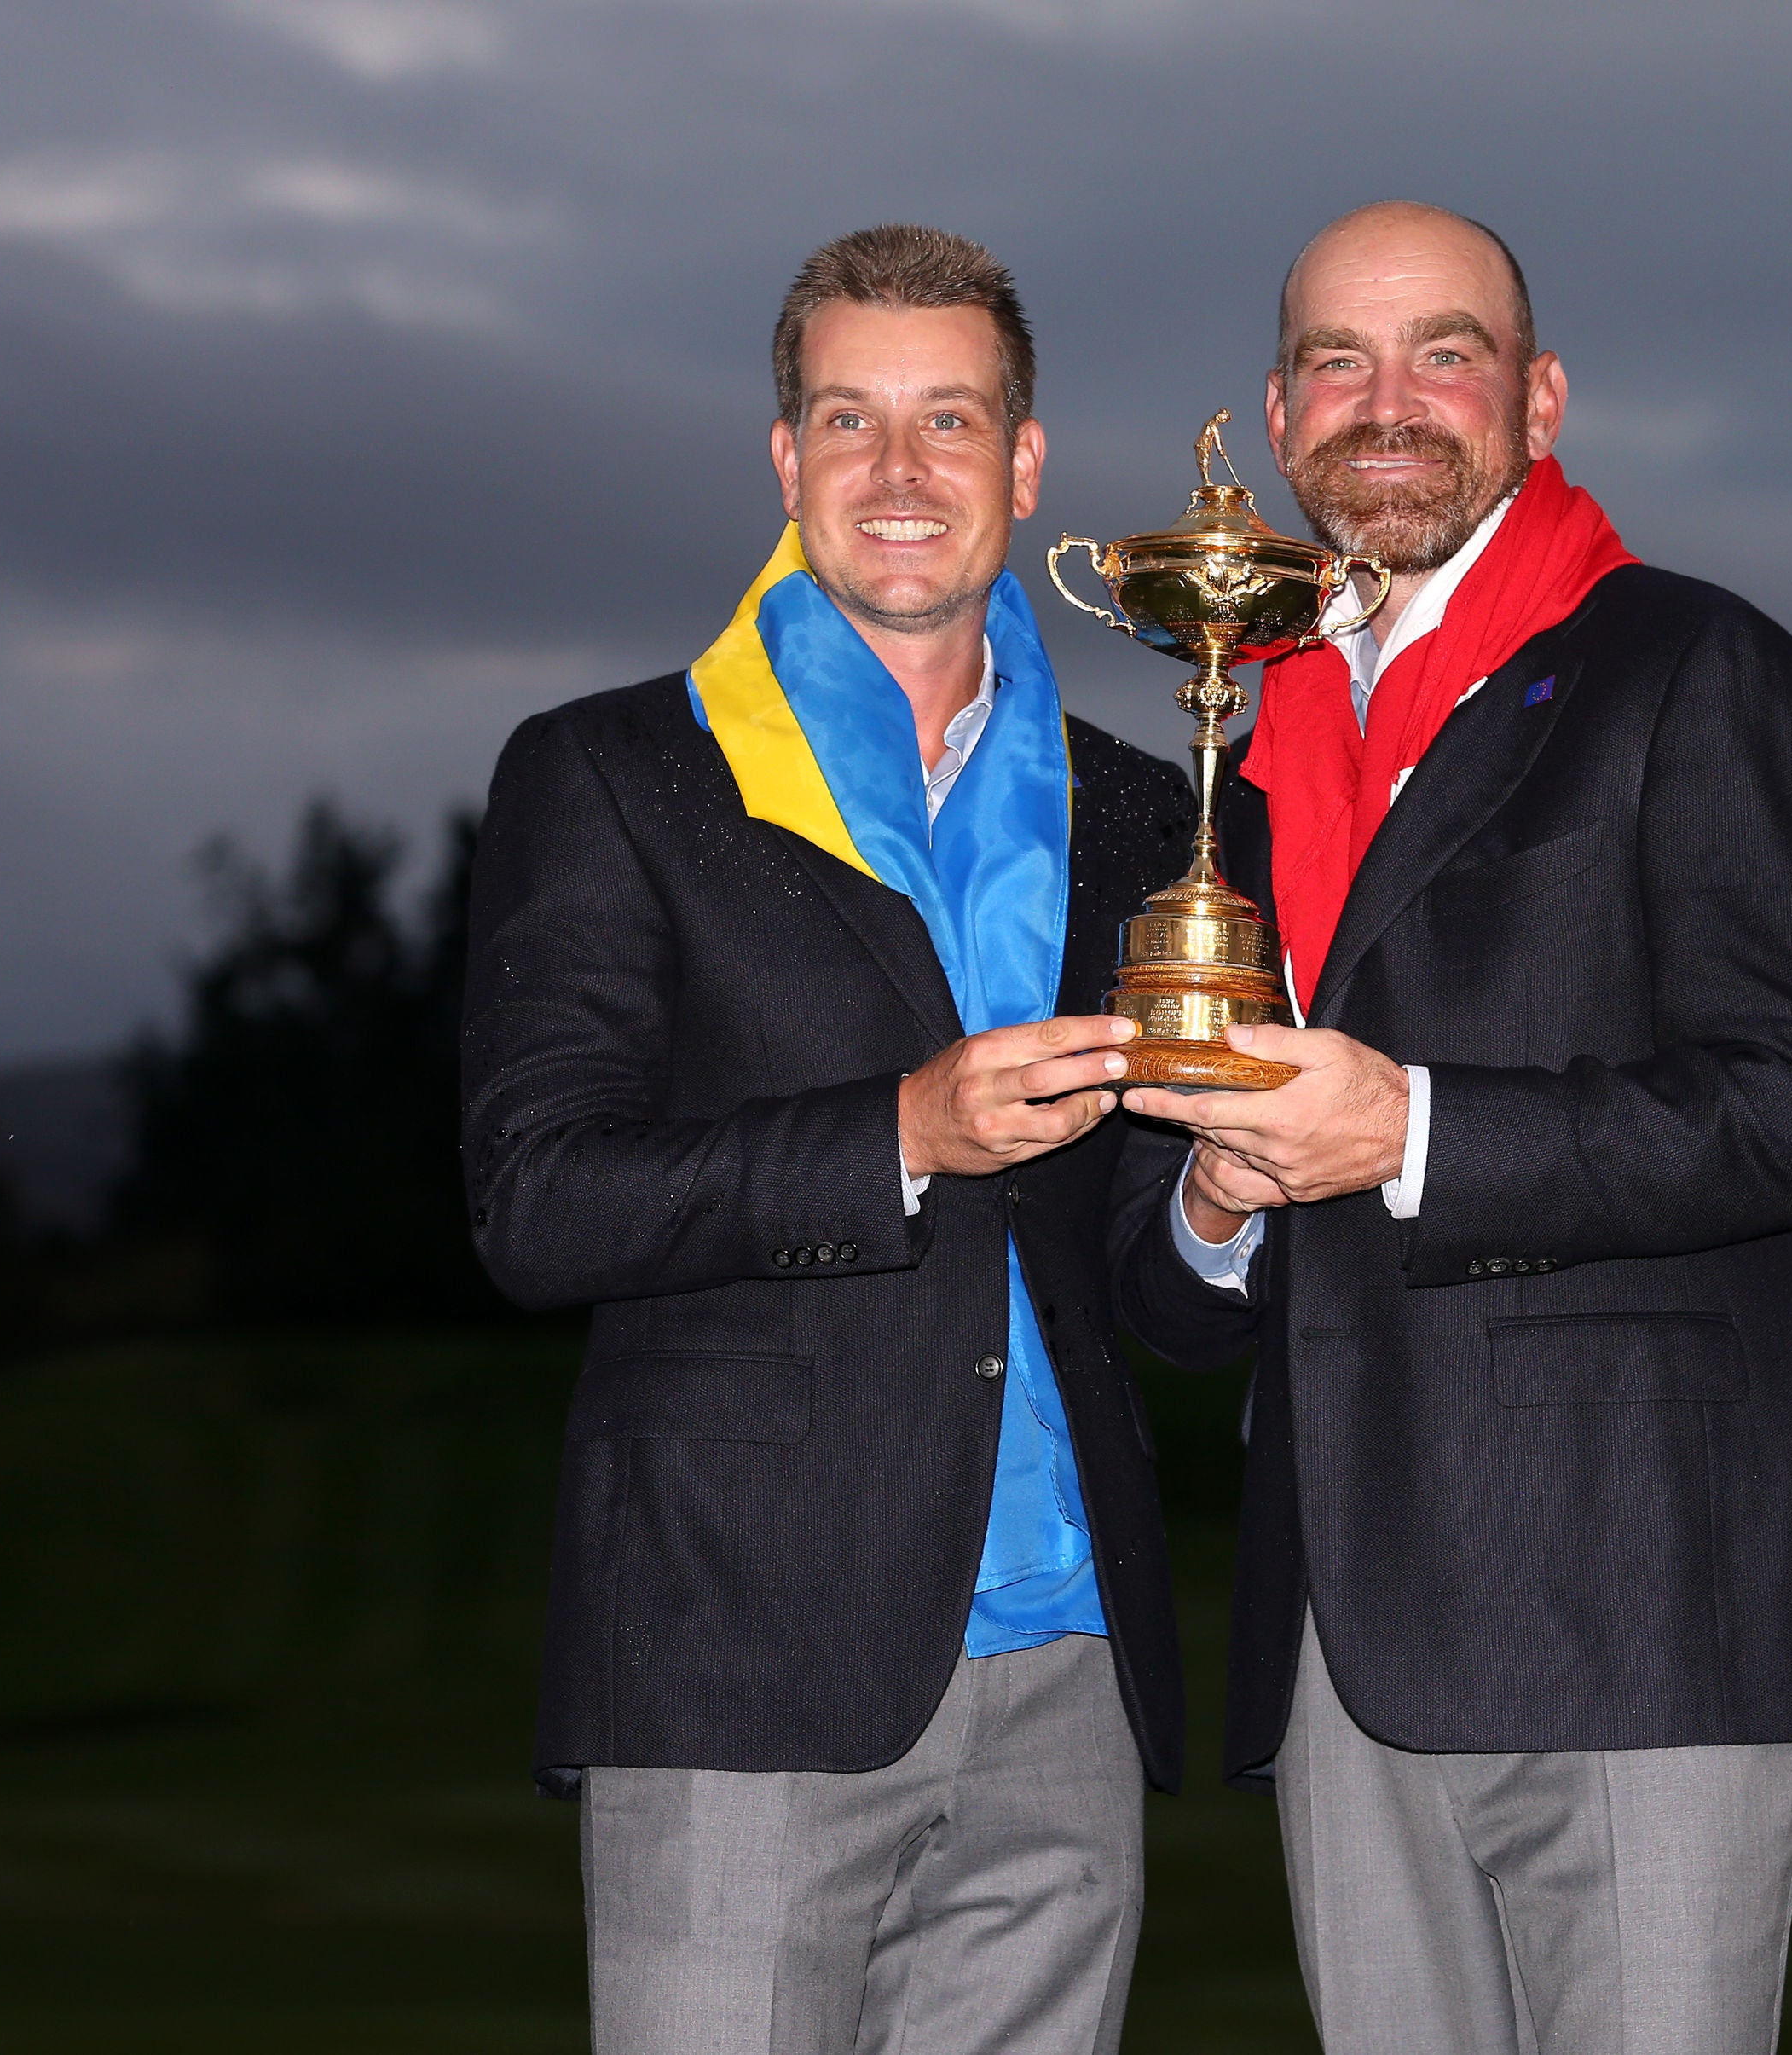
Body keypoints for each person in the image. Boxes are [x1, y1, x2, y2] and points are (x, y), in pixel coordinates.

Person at [1113, 200, 1792, 2055]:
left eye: (1441, 352)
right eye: (1336, 363)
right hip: (1336, 1633)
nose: (1387, 405)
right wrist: (1215, 1201)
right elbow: (1175, 1284)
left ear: (1537, 397)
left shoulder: (1694, 669)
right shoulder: (1236, 732)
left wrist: (1410, 1125)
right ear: (1279, 422)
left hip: (1635, 1608)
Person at [460, 224, 1195, 2055]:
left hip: (1070, 1675)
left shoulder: (1142, 813)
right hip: (737, 1666)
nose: (898, 471)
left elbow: (1144, 1292)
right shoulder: (617, 774)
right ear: (783, 459)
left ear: (1025, 468)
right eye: (847, 419)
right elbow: (537, 1202)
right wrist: (899, 1130)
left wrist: (1225, 1212)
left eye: (949, 418)